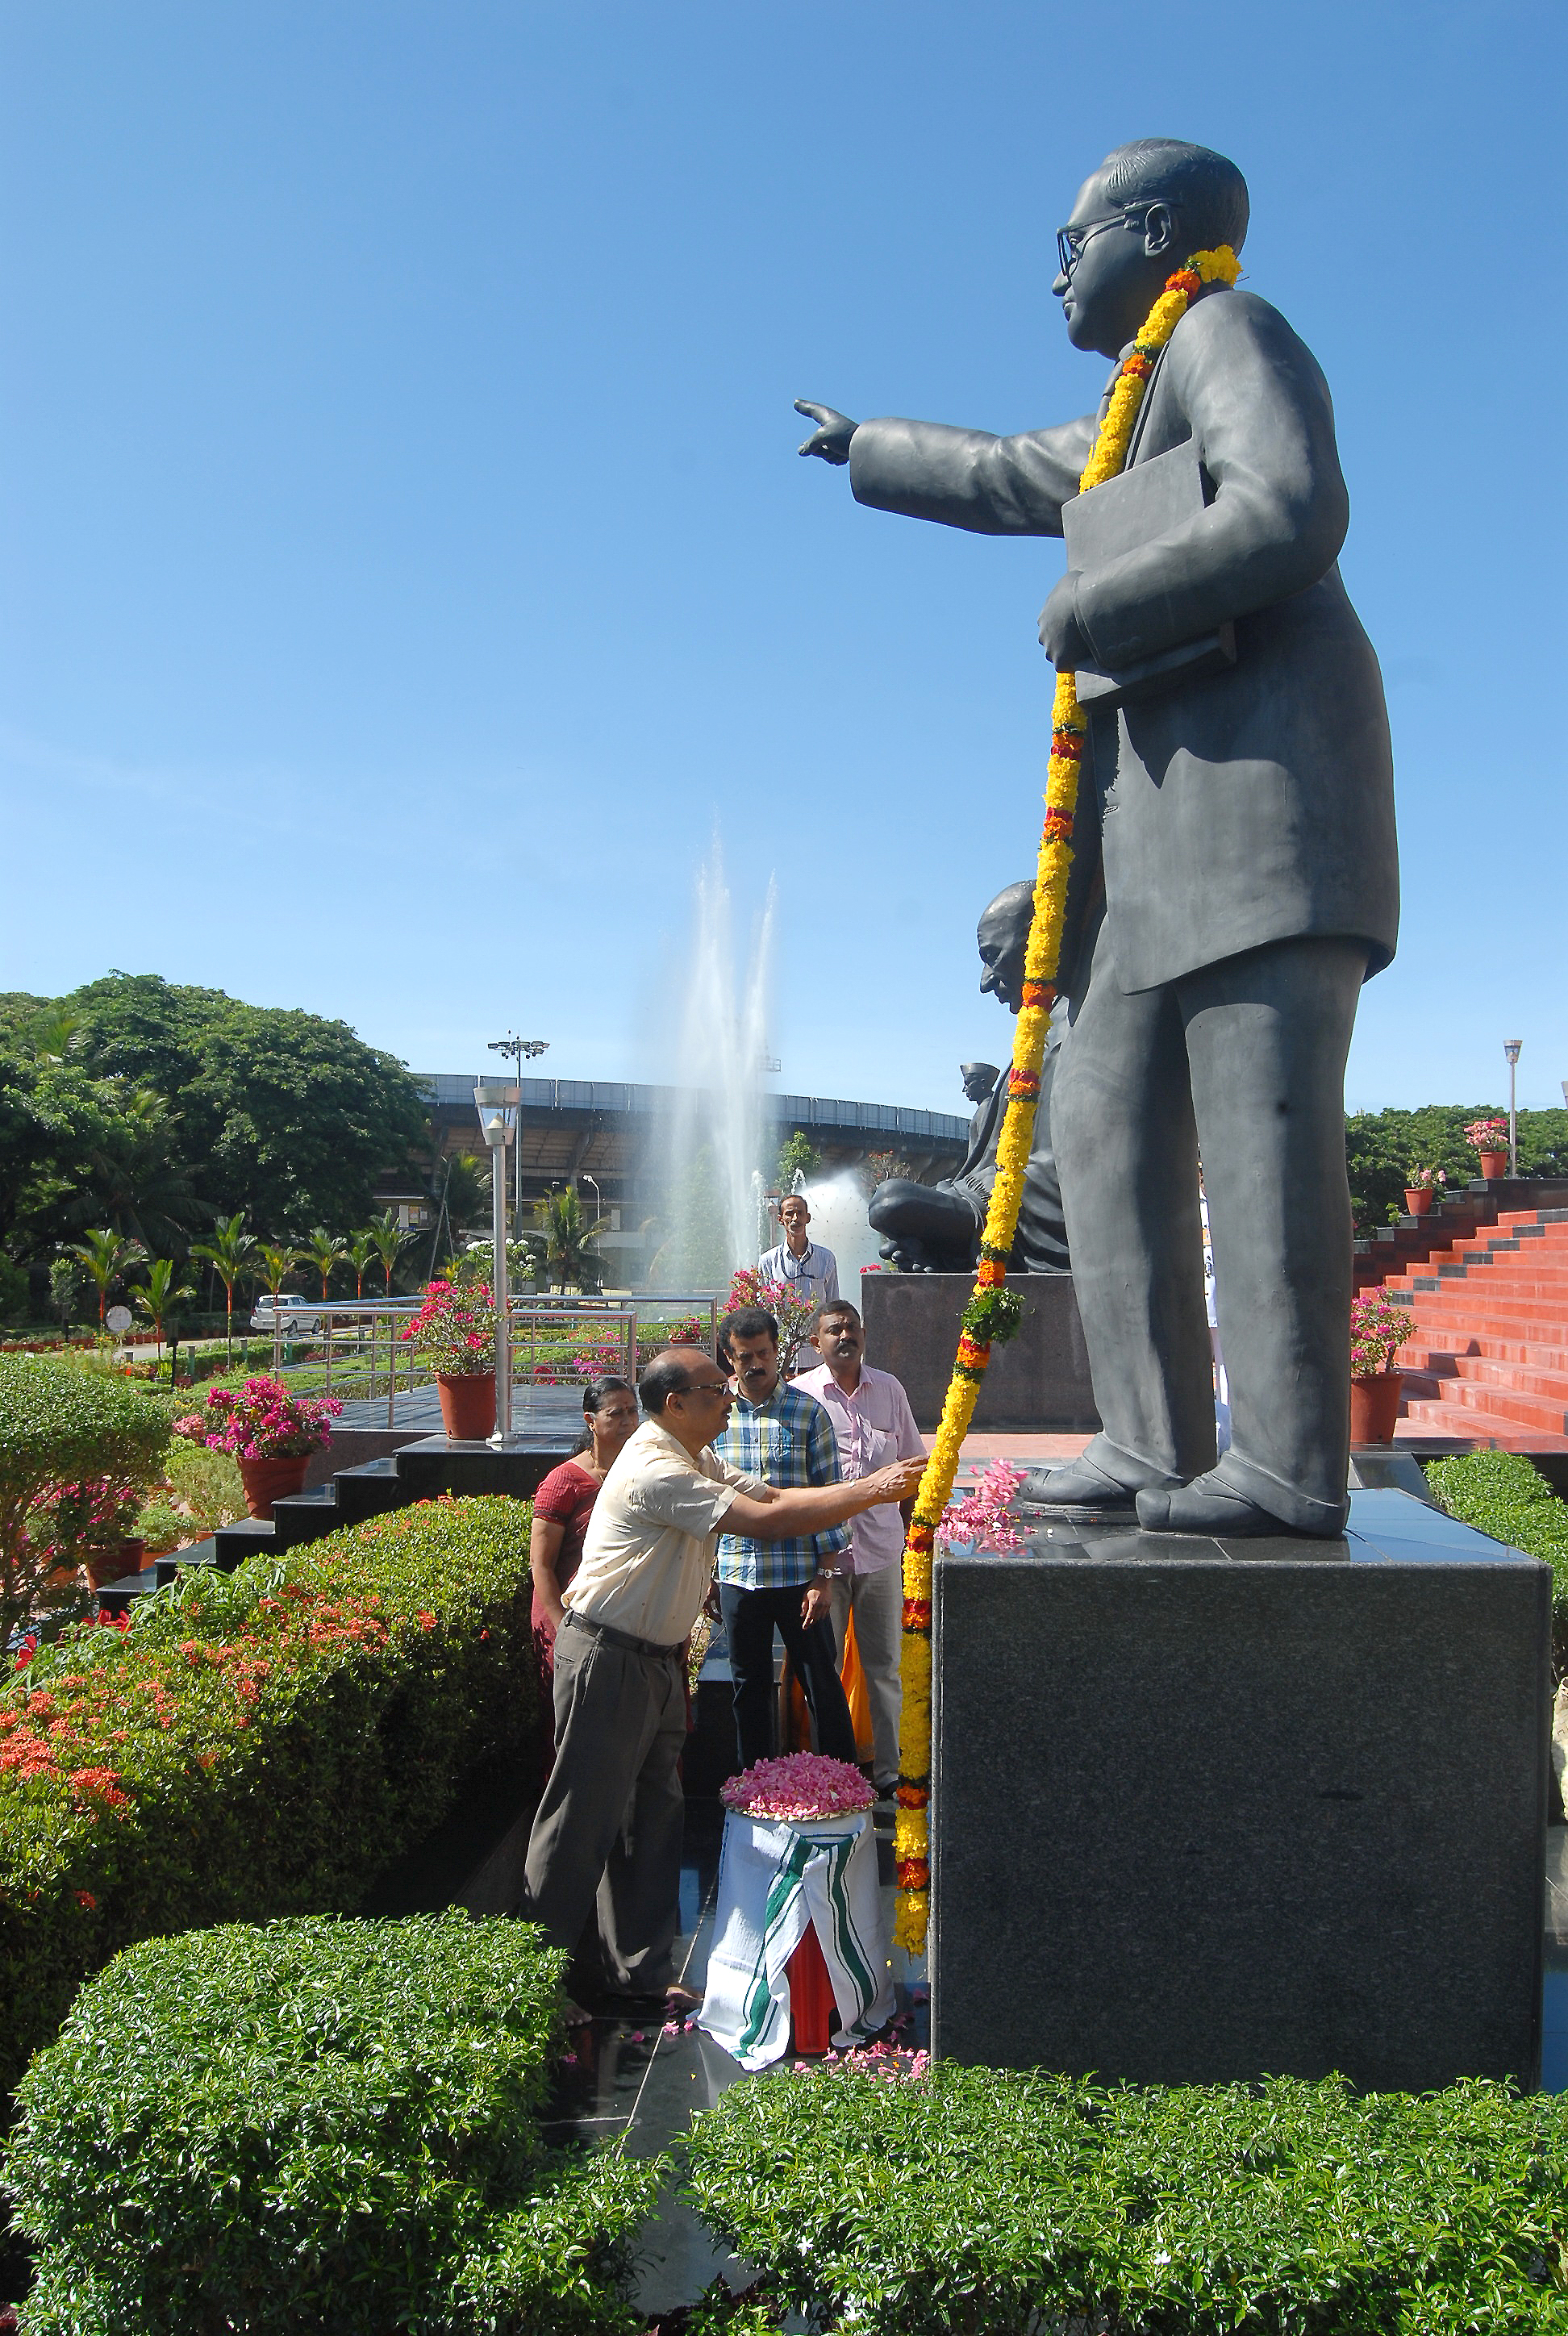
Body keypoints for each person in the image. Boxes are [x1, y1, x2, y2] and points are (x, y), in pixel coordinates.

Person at [798, 136, 1397, 1536]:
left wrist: (1099, 606)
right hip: (1151, 843)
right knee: (1102, 1122)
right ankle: (1146, 1438)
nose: (1058, 270)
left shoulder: (1227, 329)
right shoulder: (1138, 399)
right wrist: (868, 447)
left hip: (1263, 799)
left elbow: (1290, 505)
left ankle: (1287, 1467)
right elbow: (1017, 473)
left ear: (1155, 230)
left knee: (1260, 1136)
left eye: (1075, 241)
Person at [518, 1345, 923, 2022]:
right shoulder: (654, 1466)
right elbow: (765, 1523)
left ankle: (638, 1975)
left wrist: (870, 1487)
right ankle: (534, 1983)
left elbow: (775, 1496)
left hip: (655, 1660)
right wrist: (875, 1490)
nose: (730, 1396)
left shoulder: (696, 1456)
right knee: (577, 1824)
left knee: (651, 1822)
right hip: (608, 1660)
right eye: (714, 1388)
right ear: (675, 1403)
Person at [869, 880, 1070, 1274]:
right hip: (992, 1200)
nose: (985, 981)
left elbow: (1073, 1169)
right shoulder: (1036, 1039)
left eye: (994, 956)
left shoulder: (1075, 1032)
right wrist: (952, 1199)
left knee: (892, 1201)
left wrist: (970, 1205)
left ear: (1042, 940)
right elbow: (989, 1162)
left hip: (1019, 1212)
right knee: (890, 1204)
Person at [711, 1304, 859, 1771]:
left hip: (800, 1578)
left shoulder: (808, 1413)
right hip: (739, 1574)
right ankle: (755, 1787)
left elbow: (831, 1498)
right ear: (729, 1357)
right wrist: (707, 1575)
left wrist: (825, 1577)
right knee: (748, 1686)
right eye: (744, 1357)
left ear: (777, 1351)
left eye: (763, 1353)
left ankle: (841, 1783)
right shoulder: (715, 1416)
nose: (755, 1365)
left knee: (821, 1684)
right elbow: (703, 1500)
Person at [792, 1299, 926, 1797]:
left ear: (864, 1335)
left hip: (882, 1554)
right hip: (823, 1564)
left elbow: (913, 1466)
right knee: (822, 1672)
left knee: (884, 1669)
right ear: (816, 1342)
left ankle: (891, 1773)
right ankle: (831, 1773)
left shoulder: (889, 1389)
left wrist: (913, 1533)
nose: (844, 1336)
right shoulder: (801, 1396)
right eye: (834, 1330)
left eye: (851, 1328)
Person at [529, 1377, 641, 1761]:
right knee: (578, 1735)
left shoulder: (645, 1471)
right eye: (616, 1413)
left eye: (632, 1412)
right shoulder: (565, 1482)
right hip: (573, 1624)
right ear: (590, 1421)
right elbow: (542, 1564)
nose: (627, 1421)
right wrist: (561, 1627)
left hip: (630, 1624)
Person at [757, 1195, 839, 1312]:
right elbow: (764, 1306)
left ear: (808, 1218)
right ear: (780, 1219)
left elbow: (833, 1305)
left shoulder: (826, 1259)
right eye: (790, 1214)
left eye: (800, 1213)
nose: (795, 1218)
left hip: (815, 1325)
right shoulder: (768, 1261)